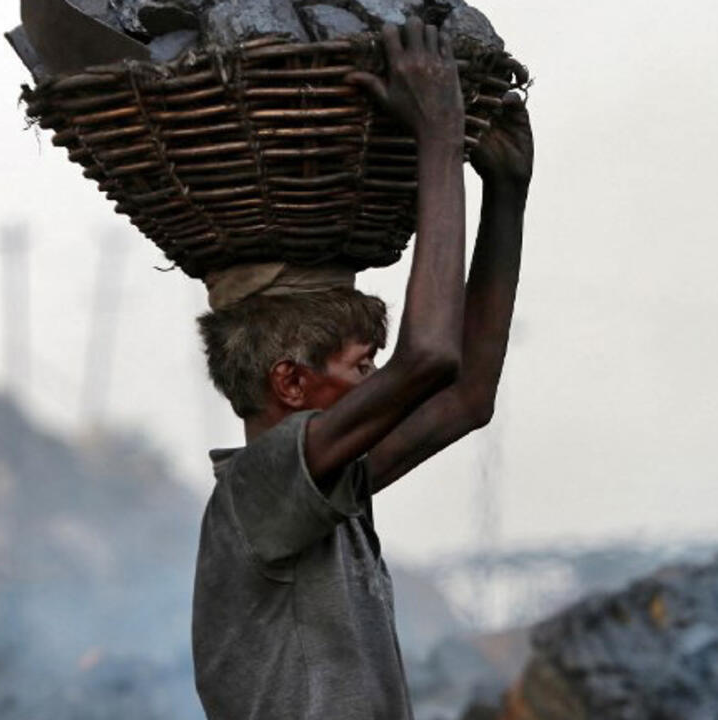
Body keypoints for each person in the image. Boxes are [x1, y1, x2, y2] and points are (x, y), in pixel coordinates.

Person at [189, 17, 533, 720]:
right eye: (361, 365)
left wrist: (508, 193)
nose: (380, 382)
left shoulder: (329, 497)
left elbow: (467, 395)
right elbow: (431, 358)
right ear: (290, 382)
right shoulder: (257, 492)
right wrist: (438, 139)